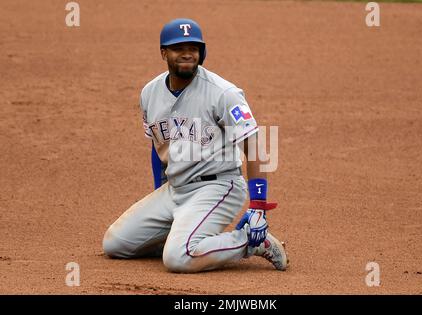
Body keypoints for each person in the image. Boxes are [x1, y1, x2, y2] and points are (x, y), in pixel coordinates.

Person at [102, 18, 288, 273]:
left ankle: (251, 243)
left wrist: (258, 205)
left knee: (178, 257)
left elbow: (253, 144)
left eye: (193, 48)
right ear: (164, 53)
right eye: (178, 48)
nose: (187, 54)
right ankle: (177, 233)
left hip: (217, 186)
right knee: (115, 244)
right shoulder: (149, 93)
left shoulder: (223, 93)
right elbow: (158, 148)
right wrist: (159, 194)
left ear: (202, 53)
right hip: (175, 189)